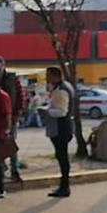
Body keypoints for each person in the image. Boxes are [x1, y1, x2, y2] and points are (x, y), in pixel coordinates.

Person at [0, 56, 24, 181]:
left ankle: (14, 170)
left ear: (3, 64)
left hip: (10, 116)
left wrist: (18, 113)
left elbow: (20, 96)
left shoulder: (12, 78)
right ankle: (0, 170)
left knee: (10, 144)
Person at [43, 66, 74, 198]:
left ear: (55, 76)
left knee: (62, 157)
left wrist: (46, 111)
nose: (46, 78)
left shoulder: (62, 90)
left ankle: (65, 186)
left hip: (61, 128)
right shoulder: (59, 87)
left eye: (48, 76)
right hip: (60, 127)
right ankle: (63, 185)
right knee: (61, 156)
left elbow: (61, 112)